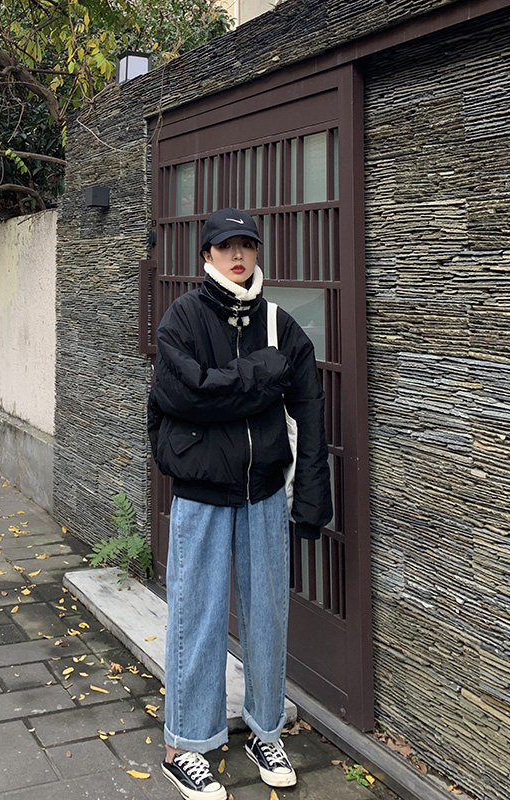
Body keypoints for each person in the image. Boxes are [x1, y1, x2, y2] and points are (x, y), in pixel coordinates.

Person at [148, 208, 332, 799]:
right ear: (206, 255)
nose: (237, 255)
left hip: (264, 493)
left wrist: (312, 498)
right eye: (226, 245)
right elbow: (186, 395)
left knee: (267, 616)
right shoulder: (182, 318)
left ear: (256, 253)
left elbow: (309, 407)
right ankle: (185, 744)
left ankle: (265, 729)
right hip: (202, 493)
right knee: (197, 618)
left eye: (247, 245)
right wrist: (259, 375)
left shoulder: (279, 324)